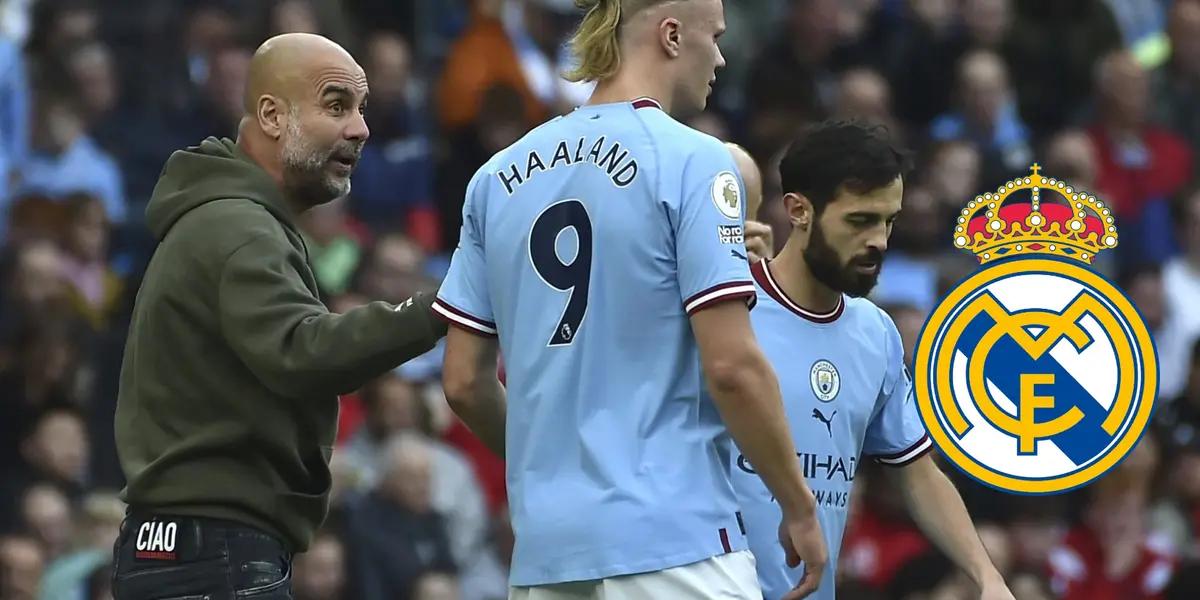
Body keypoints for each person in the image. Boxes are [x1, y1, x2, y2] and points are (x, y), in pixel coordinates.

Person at [434, 0, 827, 598]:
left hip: (548, 550)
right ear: (671, 35)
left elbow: (463, 382)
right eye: (714, 37)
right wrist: (799, 506)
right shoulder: (698, 161)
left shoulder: (495, 177)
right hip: (675, 544)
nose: (720, 57)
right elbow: (733, 367)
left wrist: (558, 466)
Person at [110, 33, 448, 599]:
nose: (361, 128)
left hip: (184, 551)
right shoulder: (238, 227)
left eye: (361, 109)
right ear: (272, 115)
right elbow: (304, 352)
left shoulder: (227, 219)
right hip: (213, 555)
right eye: (337, 105)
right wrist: (439, 307)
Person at [730, 120, 1015, 600]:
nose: (880, 240)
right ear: (798, 211)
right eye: (860, 220)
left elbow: (918, 471)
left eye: (889, 221)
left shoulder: (876, 333)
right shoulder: (728, 309)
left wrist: (987, 578)